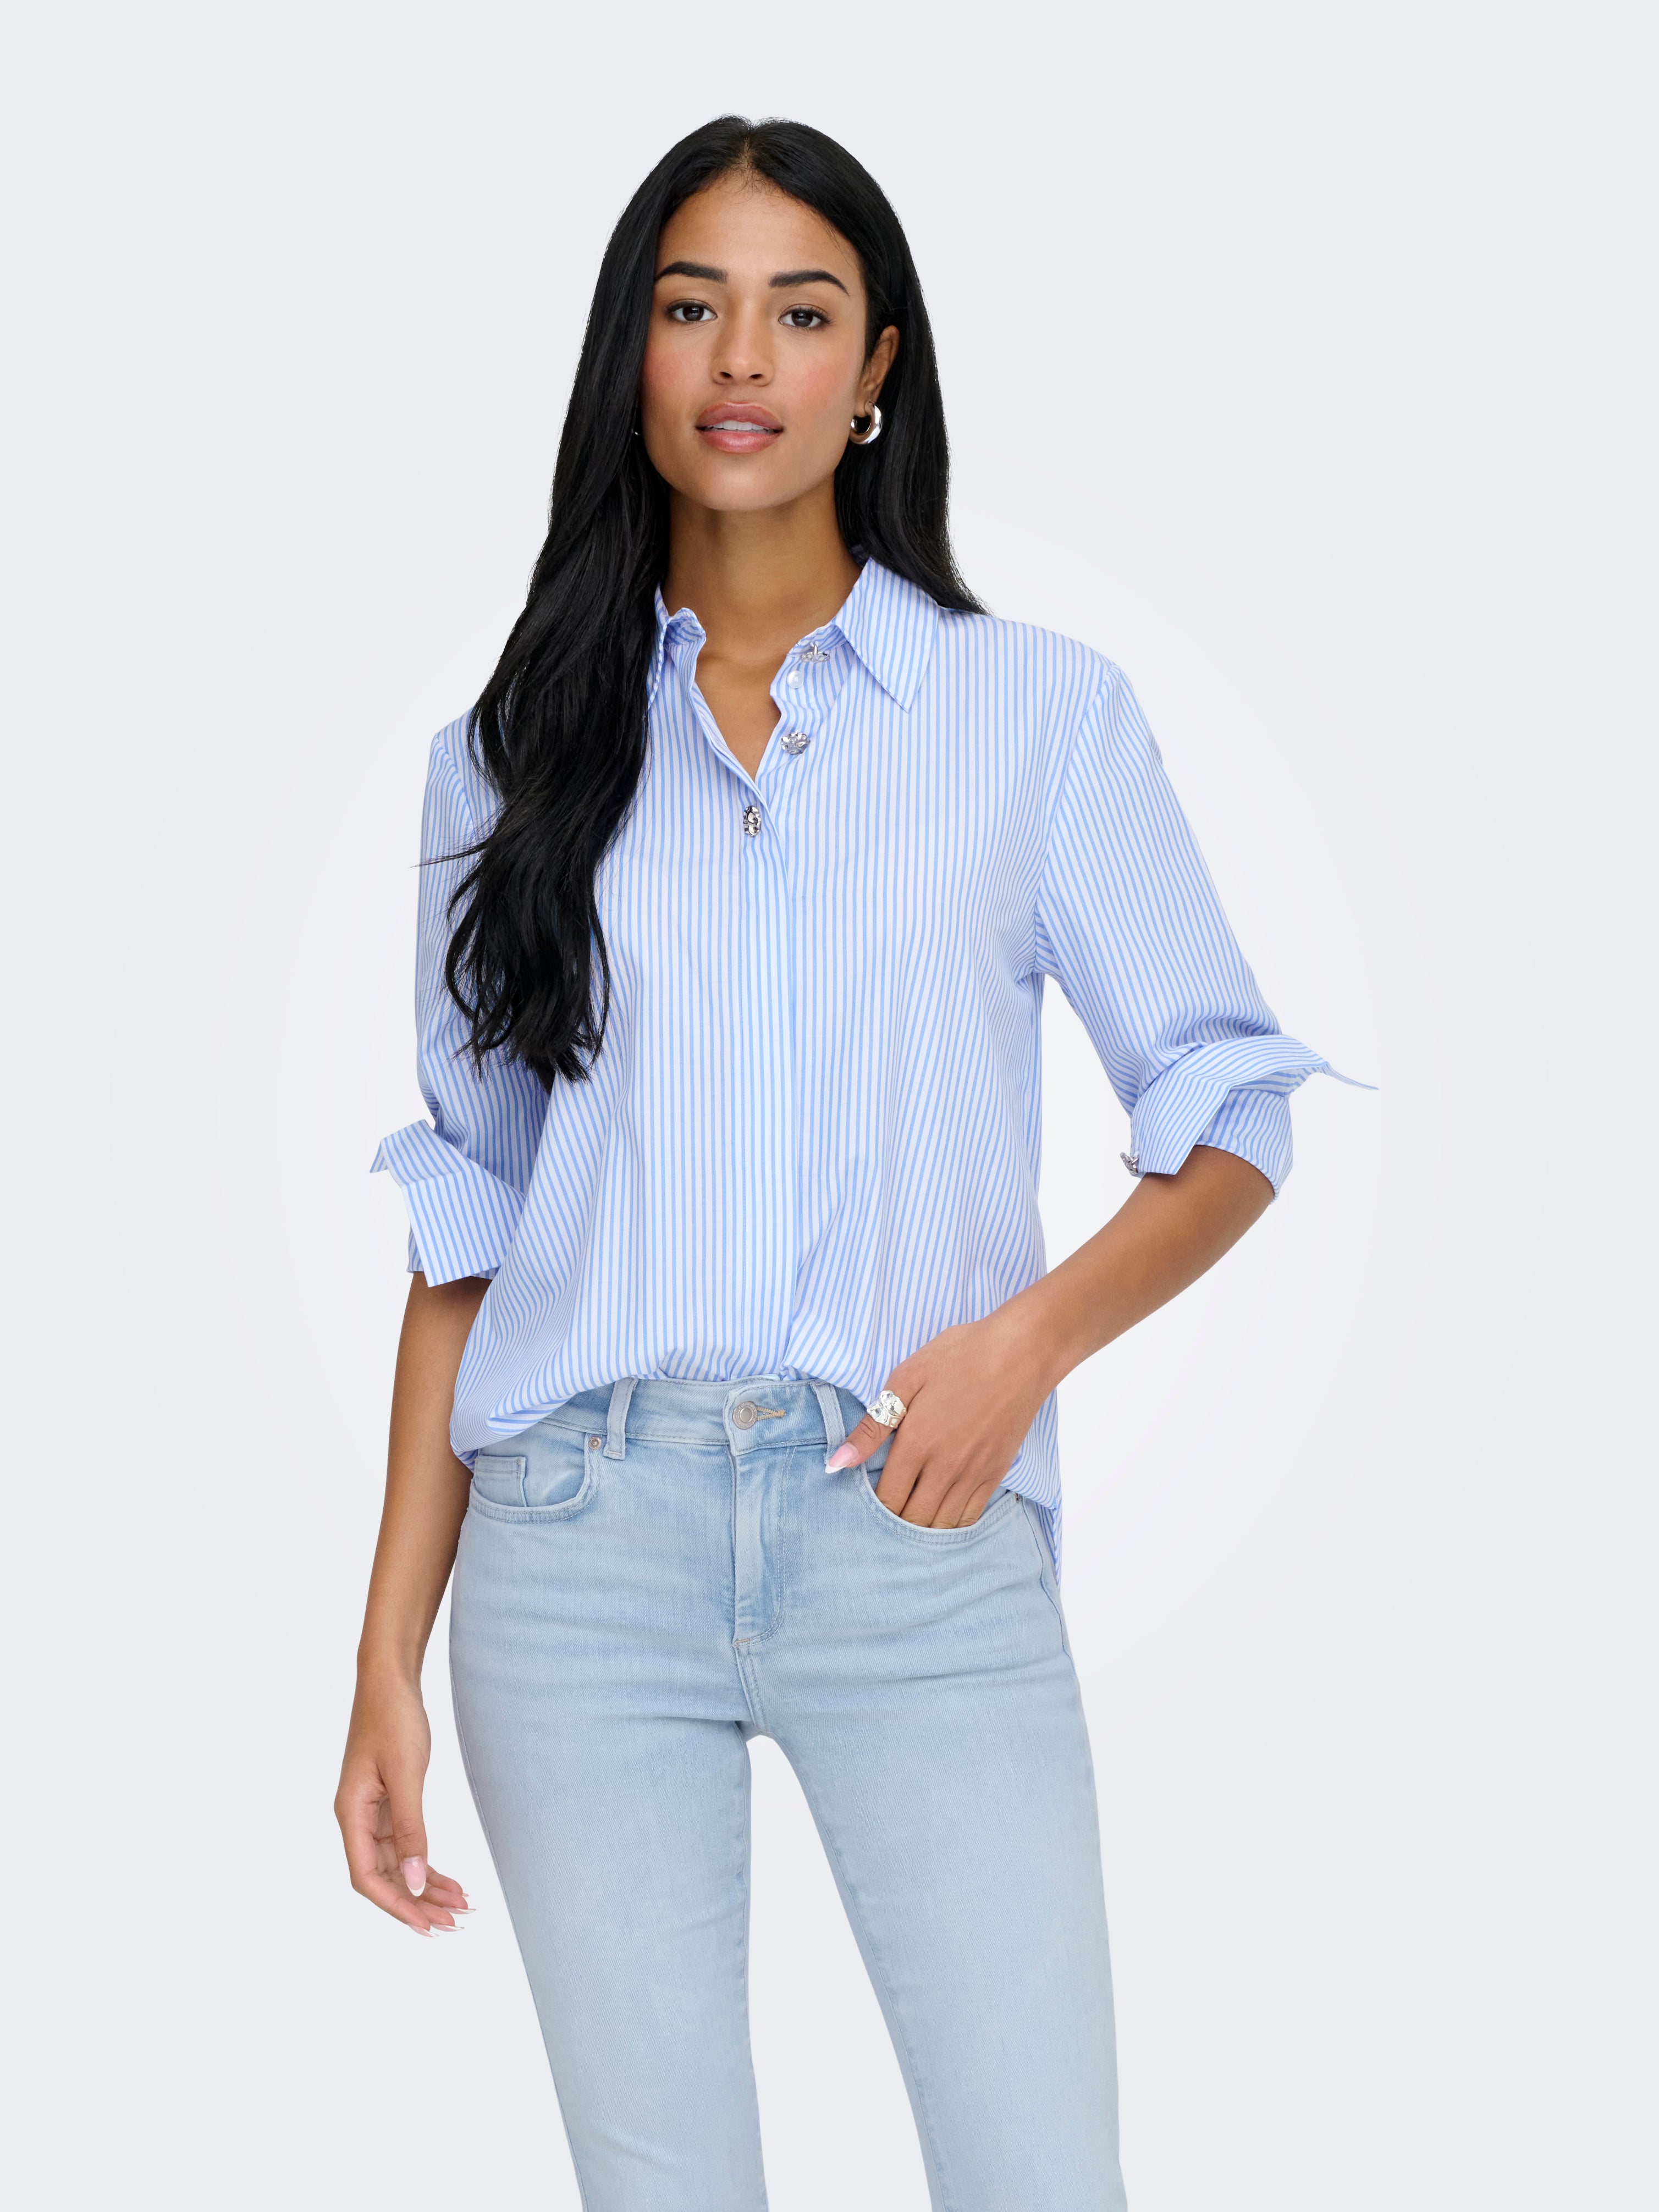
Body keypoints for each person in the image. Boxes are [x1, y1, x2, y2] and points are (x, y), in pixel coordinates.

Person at [336, 114, 1347, 2212]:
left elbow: (1230, 1104)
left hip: (913, 1525)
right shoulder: (505, 759)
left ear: (875, 367)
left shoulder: (1032, 718)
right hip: (574, 1548)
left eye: (801, 314)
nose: (742, 359)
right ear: (631, 353)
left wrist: (1021, 1349)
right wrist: (381, 1664)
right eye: (690, 306)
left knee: (1037, 2177)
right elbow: (469, 1231)